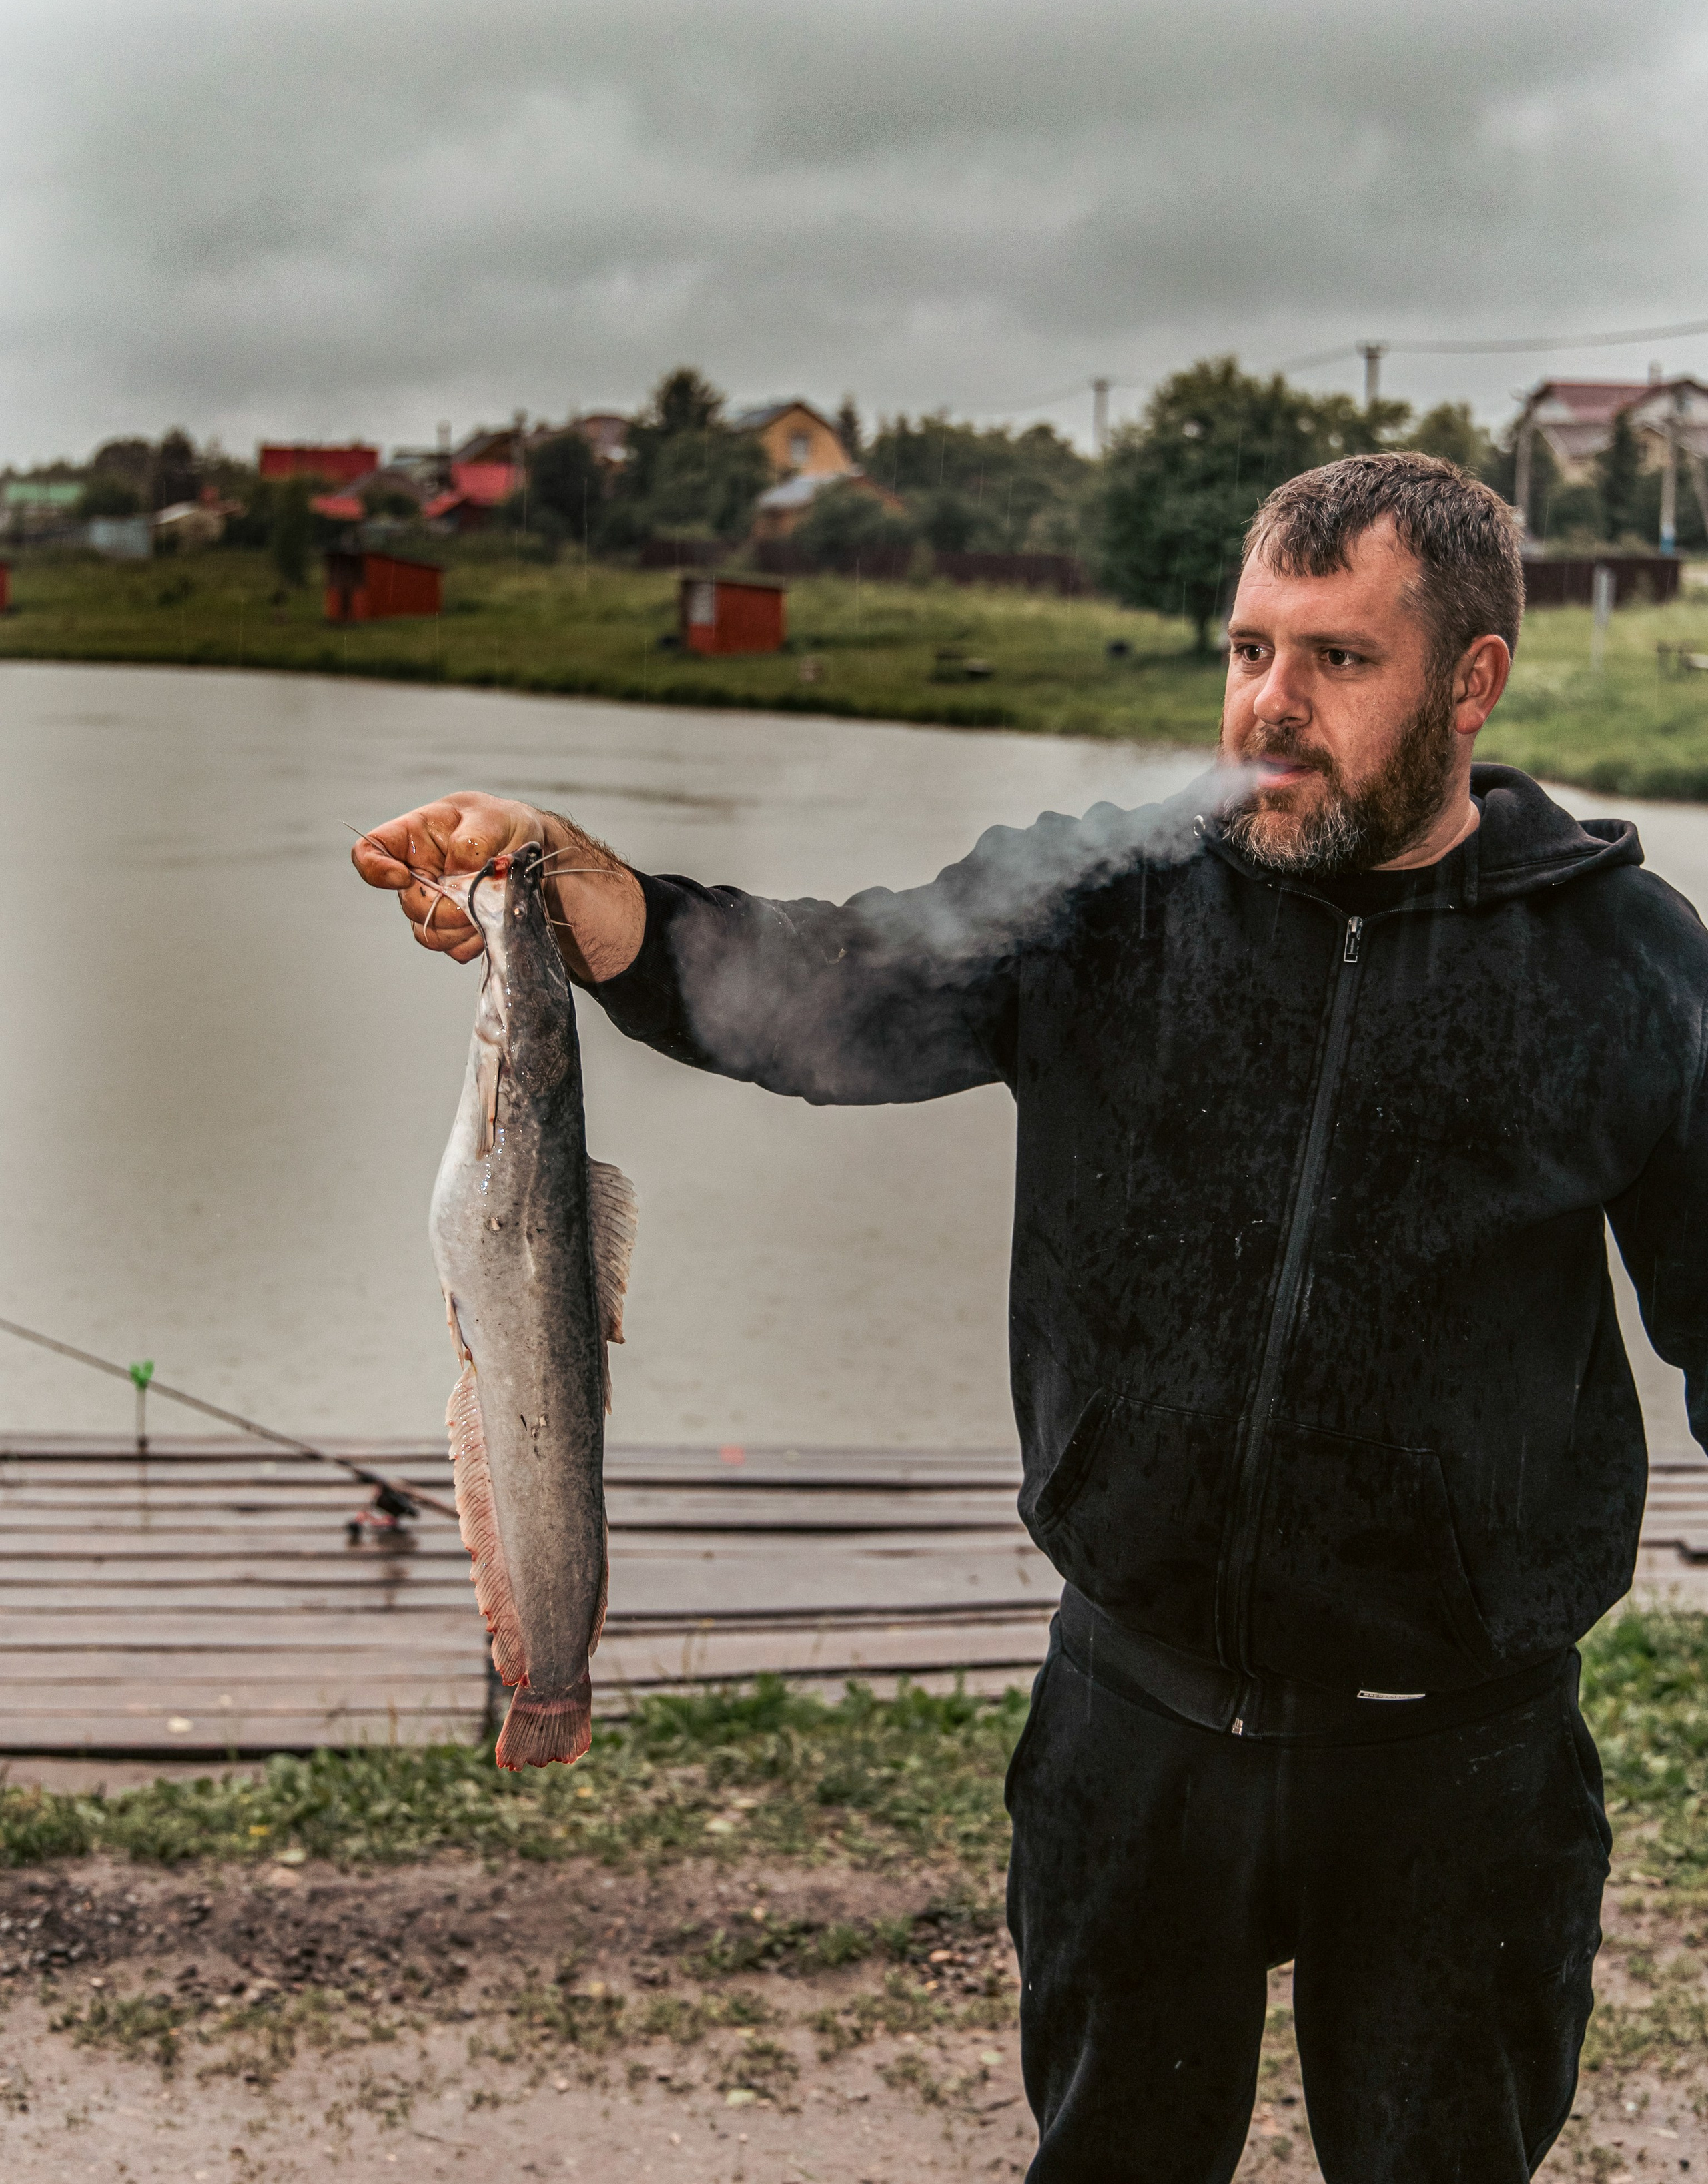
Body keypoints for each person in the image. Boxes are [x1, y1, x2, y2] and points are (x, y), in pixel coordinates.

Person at [354, 453, 1708, 2183]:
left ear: (1475, 678)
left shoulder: (1623, 967)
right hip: (1135, 1735)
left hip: (1466, 1762)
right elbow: (825, 991)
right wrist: (583, 896)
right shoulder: (1110, 897)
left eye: (1337, 662)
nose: (1266, 709)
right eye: (1246, 650)